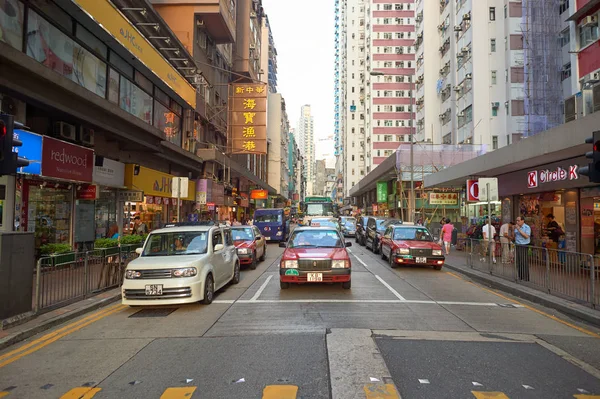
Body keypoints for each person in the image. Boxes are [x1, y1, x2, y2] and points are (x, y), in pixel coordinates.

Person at [514, 216, 531, 281]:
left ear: (522, 221)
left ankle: (525, 277)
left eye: (518, 220)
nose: (517, 222)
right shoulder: (516, 227)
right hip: (518, 244)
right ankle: (520, 276)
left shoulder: (527, 227)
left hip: (524, 245)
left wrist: (519, 230)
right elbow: (515, 235)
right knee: (519, 261)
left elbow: (526, 236)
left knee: (524, 261)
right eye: (516, 221)